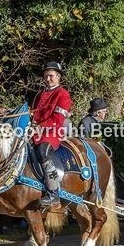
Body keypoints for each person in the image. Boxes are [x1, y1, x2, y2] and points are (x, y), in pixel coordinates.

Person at [30, 62, 72, 207]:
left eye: (51, 76)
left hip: (53, 132)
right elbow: (34, 114)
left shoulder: (63, 94)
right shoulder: (39, 94)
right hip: (34, 131)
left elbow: (57, 120)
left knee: (42, 151)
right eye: (46, 76)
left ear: (58, 76)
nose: (47, 79)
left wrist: (38, 127)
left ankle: (53, 193)